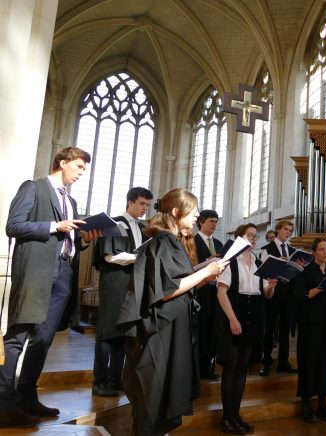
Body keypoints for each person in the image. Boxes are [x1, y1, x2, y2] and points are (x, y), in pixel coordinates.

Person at [0, 146, 103, 428]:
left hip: (63, 272)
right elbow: (14, 226)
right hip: (36, 270)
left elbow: (68, 239)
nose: (82, 173)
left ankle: (27, 397)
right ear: (63, 162)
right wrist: (54, 226)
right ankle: (3, 403)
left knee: (43, 339)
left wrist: (83, 240)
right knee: (18, 336)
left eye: (84, 169)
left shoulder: (71, 200)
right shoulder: (33, 188)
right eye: (79, 167)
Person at [117, 188, 228, 435]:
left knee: (165, 391)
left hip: (172, 327)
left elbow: (179, 285)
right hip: (162, 330)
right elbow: (168, 290)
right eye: (194, 210)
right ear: (176, 212)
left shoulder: (172, 241)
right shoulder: (165, 240)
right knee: (155, 394)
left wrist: (204, 274)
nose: (197, 215)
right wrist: (206, 272)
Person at [91, 186, 153, 398]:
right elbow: (110, 256)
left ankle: (115, 380)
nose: (145, 208)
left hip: (134, 283)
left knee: (124, 332)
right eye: (142, 204)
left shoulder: (144, 228)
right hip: (115, 281)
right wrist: (139, 258)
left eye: (148, 205)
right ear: (130, 202)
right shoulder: (114, 223)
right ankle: (99, 382)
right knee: (107, 333)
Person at [215, 223, 276, 434]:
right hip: (236, 313)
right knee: (231, 368)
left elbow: (265, 295)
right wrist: (232, 319)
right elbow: (221, 293)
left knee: (243, 368)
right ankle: (226, 417)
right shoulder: (230, 261)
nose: (253, 239)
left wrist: (271, 288)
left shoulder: (260, 262)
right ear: (239, 238)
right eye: (249, 235)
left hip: (255, 315)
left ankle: (236, 415)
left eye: (255, 236)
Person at [293, 237, 326, 423]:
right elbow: (299, 296)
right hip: (310, 322)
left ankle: (322, 402)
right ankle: (306, 403)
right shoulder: (304, 271)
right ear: (313, 252)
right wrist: (319, 289)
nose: (325, 252)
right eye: (321, 249)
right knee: (308, 360)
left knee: (325, 362)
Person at [258, 220, 302, 376]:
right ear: (277, 230)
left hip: (289, 294)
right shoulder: (266, 249)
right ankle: (266, 362)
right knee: (270, 328)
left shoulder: (292, 250)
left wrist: (299, 266)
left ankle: (284, 361)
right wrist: (278, 264)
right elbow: (262, 272)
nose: (288, 232)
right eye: (285, 229)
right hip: (273, 293)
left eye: (290, 230)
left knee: (285, 329)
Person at [194, 209, 224, 380]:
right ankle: (197, 368)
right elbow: (189, 266)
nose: (214, 224)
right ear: (201, 222)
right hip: (200, 291)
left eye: (216, 221)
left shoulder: (219, 243)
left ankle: (208, 367)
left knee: (213, 329)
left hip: (216, 292)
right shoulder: (192, 241)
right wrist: (207, 262)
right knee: (201, 331)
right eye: (211, 221)